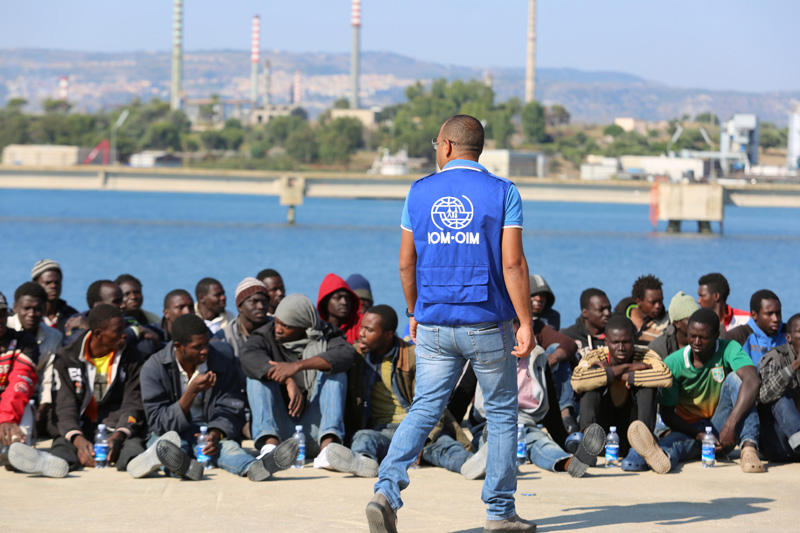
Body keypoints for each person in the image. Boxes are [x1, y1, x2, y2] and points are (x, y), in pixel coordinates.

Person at [367, 114, 535, 533]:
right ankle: (499, 513)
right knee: (499, 414)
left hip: (435, 322)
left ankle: (386, 492)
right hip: (487, 322)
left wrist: (413, 312)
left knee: (423, 408)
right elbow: (512, 263)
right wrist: (526, 322)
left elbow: (407, 263)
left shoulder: (419, 192)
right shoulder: (503, 192)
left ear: (445, 146)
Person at [129, 314, 297, 481]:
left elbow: (232, 407)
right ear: (179, 346)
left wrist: (216, 433)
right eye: (198, 347)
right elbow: (158, 422)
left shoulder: (221, 360)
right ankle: (184, 468)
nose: (205, 351)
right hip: (172, 433)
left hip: (209, 430)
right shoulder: (154, 368)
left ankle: (256, 468)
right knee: (168, 448)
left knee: (230, 449)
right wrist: (190, 392)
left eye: (206, 344)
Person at [328, 305, 473, 478]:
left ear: (388, 334)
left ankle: (471, 465)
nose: (361, 334)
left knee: (446, 446)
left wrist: (421, 439)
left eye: (369, 330)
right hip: (383, 431)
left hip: (417, 428)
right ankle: (364, 462)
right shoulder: (358, 356)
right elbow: (332, 358)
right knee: (363, 438)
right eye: (362, 327)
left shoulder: (413, 356)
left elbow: (433, 401)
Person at [628, 308, 764, 474]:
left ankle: (749, 448)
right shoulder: (674, 363)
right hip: (690, 429)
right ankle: (660, 456)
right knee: (675, 445)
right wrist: (699, 434)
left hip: (721, 426)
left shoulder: (729, 348)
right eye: (692, 336)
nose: (697, 342)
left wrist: (730, 424)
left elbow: (753, 380)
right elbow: (668, 414)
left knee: (737, 379)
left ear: (716, 336)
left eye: (703, 337)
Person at [21, 305, 146, 474]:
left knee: (133, 446)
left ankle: (138, 463)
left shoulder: (132, 357)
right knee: (63, 448)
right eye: (118, 331)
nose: (125, 334)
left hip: (115, 427)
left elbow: (133, 402)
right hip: (80, 425)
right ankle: (46, 463)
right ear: (98, 334)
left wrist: (118, 435)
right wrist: (78, 439)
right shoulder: (67, 357)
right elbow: (64, 405)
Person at [241, 294, 355, 463]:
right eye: (277, 322)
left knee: (334, 371)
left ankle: (328, 450)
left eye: (286, 326)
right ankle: (270, 449)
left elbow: (346, 354)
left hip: (316, 431)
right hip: (281, 432)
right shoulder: (265, 335)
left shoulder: (326, 335)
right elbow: (249, 357)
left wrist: (298, 366)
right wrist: (287, 379)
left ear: (304, 327)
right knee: (256, 377)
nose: (278, 328)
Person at [570, 315, 672, 469]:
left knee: (648, 385)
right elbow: (577, 381)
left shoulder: (646, 354)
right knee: (591, 381)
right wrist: (624, 369)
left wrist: (625, 377)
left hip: (633, 432)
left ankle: (643, 445)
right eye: (615, 342)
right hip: (604, 433)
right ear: (606, 343)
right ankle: (589, 440)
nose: (621, 348)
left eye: (626, 342)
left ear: (635, 340)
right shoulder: (595, 356)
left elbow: (665, 377)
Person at [0, 291, 41, 463]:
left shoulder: (25, 341)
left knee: (19, 442)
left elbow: (20, 382)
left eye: (2, 313)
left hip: (13, 409)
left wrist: (5, 419)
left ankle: (18, 455)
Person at [757, 313, 800, 462]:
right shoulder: (775, 357)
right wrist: (794, 366)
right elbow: (763, 395)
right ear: (788, 337)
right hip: (775, 441)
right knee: (782, 397)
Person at [723, 289, 785, 365]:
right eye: (769, 314)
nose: (776, 319)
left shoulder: (790, 333)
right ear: (754, 315)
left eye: (778, 313)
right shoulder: (737, 337)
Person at [216, 277, 270, 358]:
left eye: (264, 301)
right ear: (239, 307)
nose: (261, 306)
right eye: (254, 302)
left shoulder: (276, 328)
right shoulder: (225, 336)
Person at [31, 259, 78, 333]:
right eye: (48, 283)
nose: (53, 286)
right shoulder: (28, 315)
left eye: (57, 282)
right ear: (35, 284)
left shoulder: (72, 316)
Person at [648, 291, 699, 360]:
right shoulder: (659, 347)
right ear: (677, 323)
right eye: (691, 320)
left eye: (698, 318)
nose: (697, 323)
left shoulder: (707, 341)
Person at [621, 274, 669, 346]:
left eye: (660, 301)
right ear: (638, 301)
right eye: (653, 302)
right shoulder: (620, 320)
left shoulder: (668, 323)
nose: (658, 306)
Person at [317, 273, 363, 344]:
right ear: (325, 301)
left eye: (347, 298)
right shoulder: (316, 328)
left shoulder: (361, 323)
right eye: (338, 298)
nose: (344, 302)